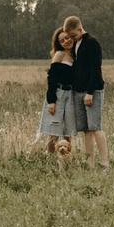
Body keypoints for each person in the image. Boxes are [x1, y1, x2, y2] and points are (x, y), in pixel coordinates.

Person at [61, 15, 107, 170]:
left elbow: (96, 70)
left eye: (73, 35)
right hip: (77, 92)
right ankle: (90, 163)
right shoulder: (76, 44)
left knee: (95, 127)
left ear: (80, 29)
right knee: (86, 130)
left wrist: (90, 92)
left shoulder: (92, 43)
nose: (71, 39)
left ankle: (104, 164)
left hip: (92, 91)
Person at [38, 27, 76, 166]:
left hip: (72, 95)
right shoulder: (59, 55)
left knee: (68, 132)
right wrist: (51, 100)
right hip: (59, 94)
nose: (66, 41)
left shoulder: (76, 55)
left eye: (67, 38)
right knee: (53, 132)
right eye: (62, 40)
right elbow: (52, 78)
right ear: (59, 43)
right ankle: (49, 161)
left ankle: (67, 162)